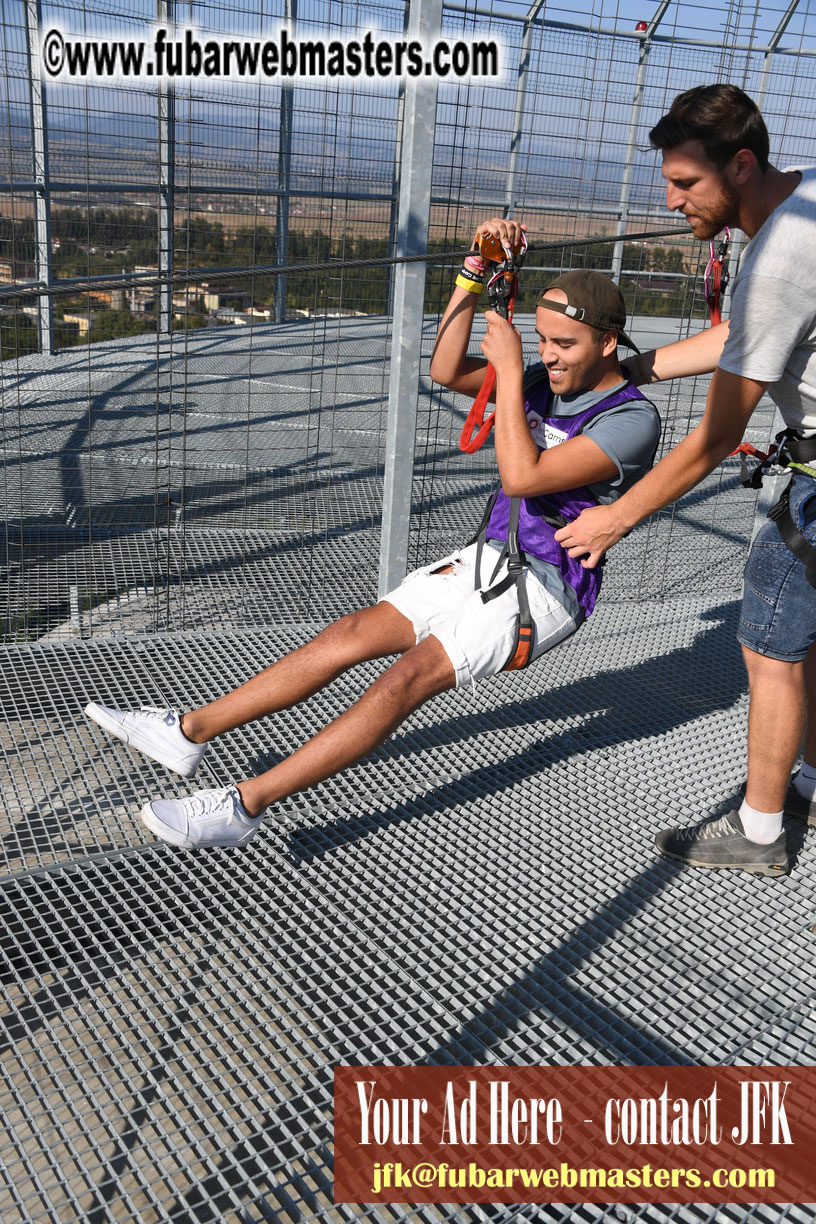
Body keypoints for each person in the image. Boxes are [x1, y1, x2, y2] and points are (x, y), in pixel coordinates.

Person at [84, 218, 659, 849]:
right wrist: (473, 275)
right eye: (543, 341)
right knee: (351, 632)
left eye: (566, 345)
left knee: (403, 679)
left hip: (546, 589)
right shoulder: (544, 380)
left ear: (608, 345)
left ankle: (243, 808)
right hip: (493, 553)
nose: (548, 355)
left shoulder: (630, 419)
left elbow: (524, 478)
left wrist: (512, 374)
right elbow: (443, 368)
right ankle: (187, 732)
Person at [554, 83, 816, 877]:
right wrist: (632, 368)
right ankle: (807, 775)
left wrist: (614, 519)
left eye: (687, 184)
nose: (671, 201)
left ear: (740, 164)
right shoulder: (803, 196)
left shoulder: (774, 261)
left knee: (772, 649)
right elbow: (742, 337)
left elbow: (715, 439)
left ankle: (762, 831)